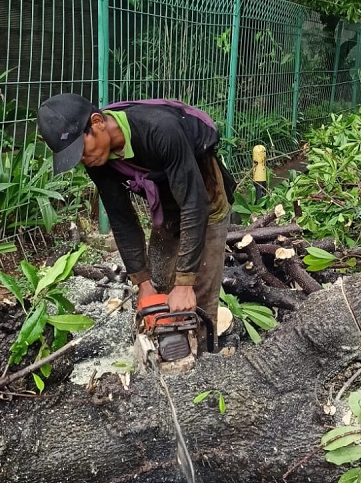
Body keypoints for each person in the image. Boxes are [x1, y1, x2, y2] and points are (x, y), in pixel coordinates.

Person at [37, 94, 236, 349]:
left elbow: (193, 205)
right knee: (159, 278)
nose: (82, 161)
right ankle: (158, 352)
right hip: (166, 196)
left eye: (81, 151)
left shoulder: (160, 129)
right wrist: (142, 282)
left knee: (198, 292)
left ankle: (204, 360)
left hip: (201, 192)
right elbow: (122, 219)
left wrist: (185, 284)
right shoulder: (97, 158)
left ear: (97, 122)